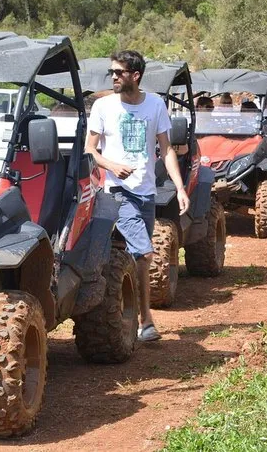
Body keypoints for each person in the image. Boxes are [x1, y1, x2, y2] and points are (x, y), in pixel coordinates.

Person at [86, 50, 190, 342]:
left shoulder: (155, 104)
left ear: (136, 75)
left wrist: (180, 188)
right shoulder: (103, 107)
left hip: (146, 192)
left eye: (119, 72)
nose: (114, 77)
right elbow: (90, 150)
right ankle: (143, 319)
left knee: (138, 258)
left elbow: (166, 150)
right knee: (144, 252)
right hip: (117, 192)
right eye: (112, 72)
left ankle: (135, 317)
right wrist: (111, 165)